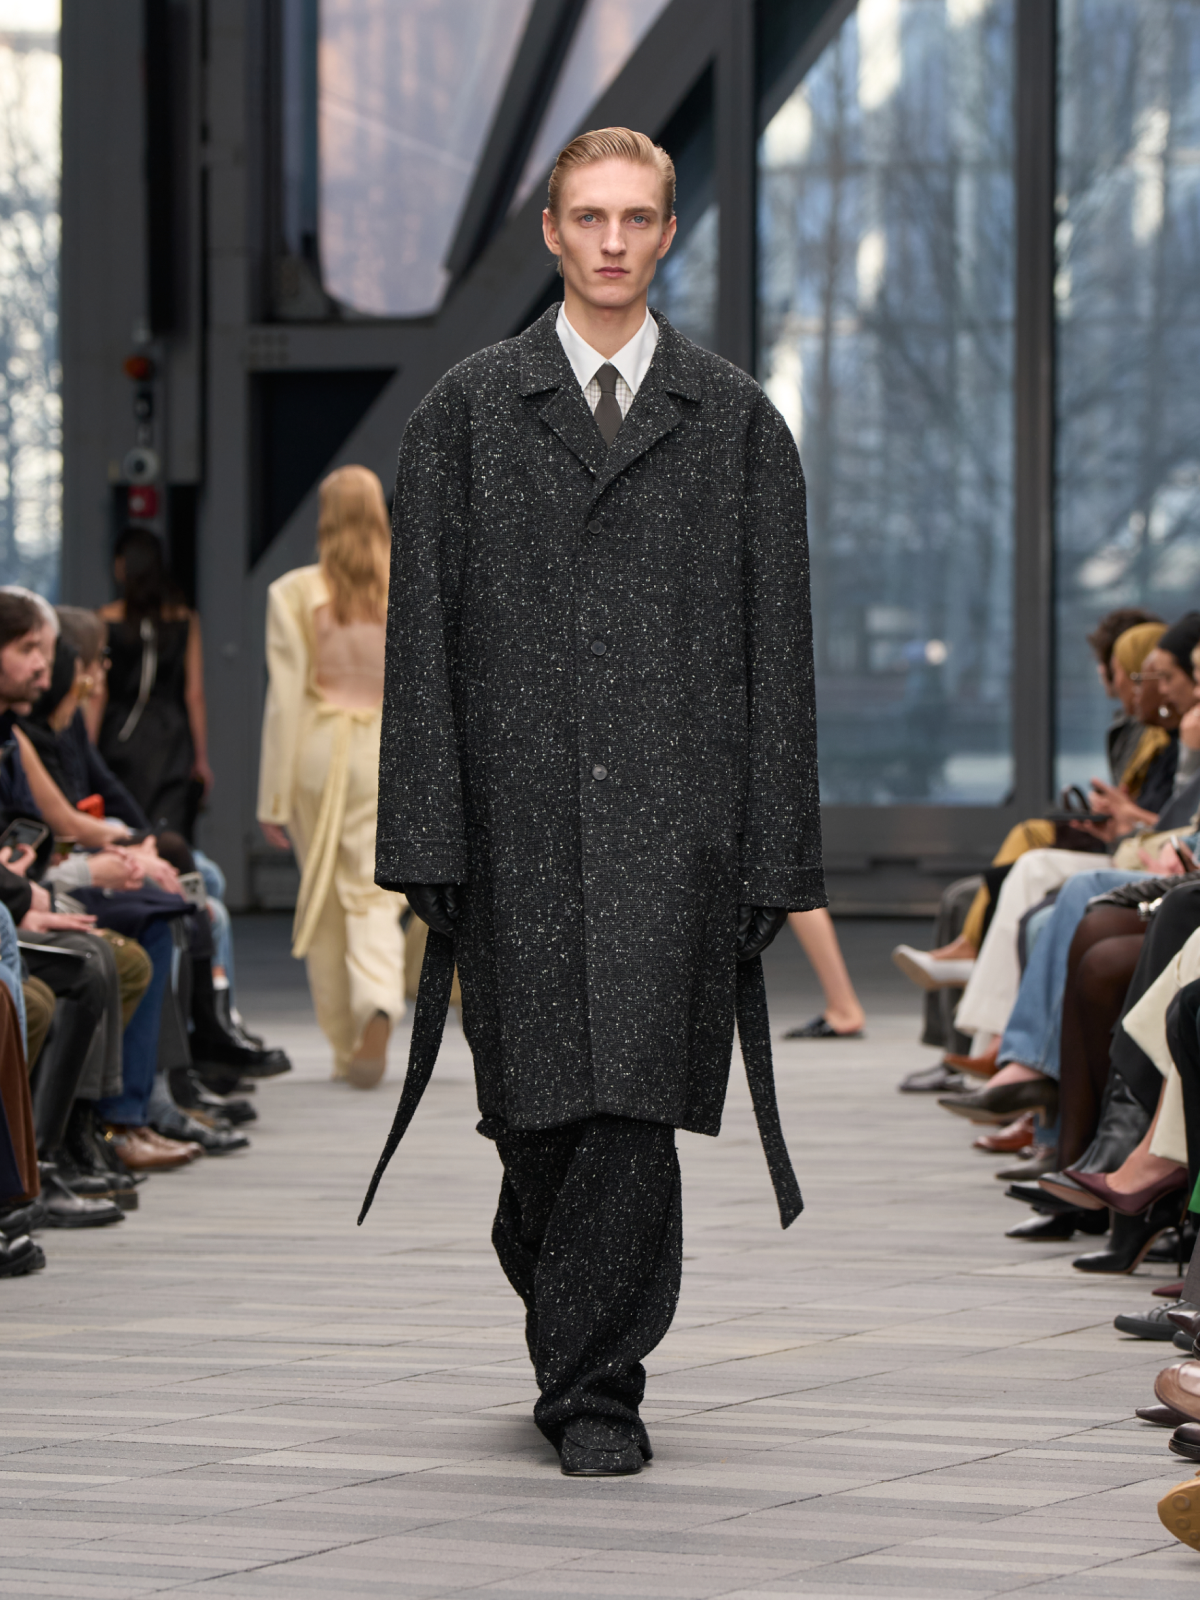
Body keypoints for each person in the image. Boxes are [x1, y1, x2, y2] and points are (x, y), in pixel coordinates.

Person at [364, 127, 823, 1478]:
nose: (613, 241)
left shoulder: (735, 420)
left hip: (682, 832)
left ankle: (599, 1392)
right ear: (552, 233)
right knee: (535, 1117)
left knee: (632, 1104)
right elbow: (420, 641)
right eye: (589, 217)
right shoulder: (464, 413)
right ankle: (575, 1300)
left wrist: (775, 851)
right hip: (514, 828)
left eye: (636, 217)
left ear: (669, 232)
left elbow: (780, 655)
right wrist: (426, 829)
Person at [257, 465, 405, 1089]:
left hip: (318, 753)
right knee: (374, 894)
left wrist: (273, 796)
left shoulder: (294, 592)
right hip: (387, 753)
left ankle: (347, 1047)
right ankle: (379, 998)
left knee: (322, 898)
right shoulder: (409, 587)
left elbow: (285, 699)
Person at [96, 528, 212, 837]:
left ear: (122, 566)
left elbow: (97, 692)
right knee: (169, 834)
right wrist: (201, 758)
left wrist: (87, 748)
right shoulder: (184, 619)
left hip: (119, 733)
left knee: (123, 831)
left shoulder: (105, 619)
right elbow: (194, 693)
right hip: (170, 736)